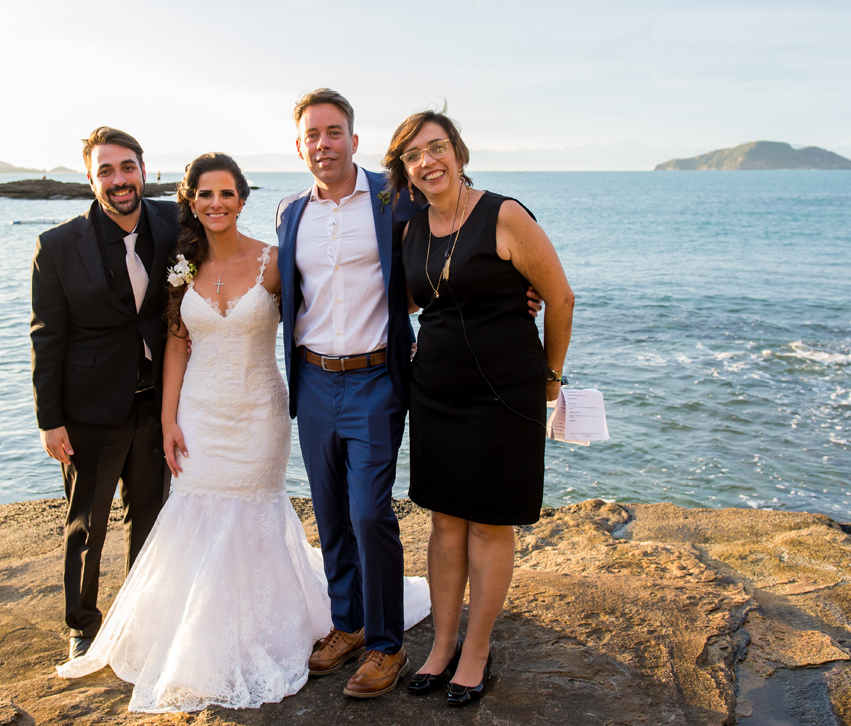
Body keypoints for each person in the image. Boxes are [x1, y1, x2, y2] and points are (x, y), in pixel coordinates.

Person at [57, 152, 429, 712]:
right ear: (191, 202)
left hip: (260, 410)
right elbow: (179, 342)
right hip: (201, 412)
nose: (216, 204)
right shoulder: (181, 267)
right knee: (197, 509)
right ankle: (199, 636)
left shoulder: (276, 261)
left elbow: (335, 298)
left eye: (227, 193)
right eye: (205, 195)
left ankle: (302, 628)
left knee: (256, 510)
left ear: (242, 199)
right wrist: (167, 418)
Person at [385, 109, 574, 707]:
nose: (427, 161)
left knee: (490, 523)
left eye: (436, 148)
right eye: (414, 155)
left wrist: (549, 376)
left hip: (503, 392)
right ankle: (441, 647)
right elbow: (418, 298)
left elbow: (560, 296)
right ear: (406, 170)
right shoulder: (411, 228)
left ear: (459, 153)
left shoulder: (505, 214)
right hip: (435, 394)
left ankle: (476, 651)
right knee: (443, 521)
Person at [274, 89, 424, 698]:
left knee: (369, 512)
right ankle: (349, 624)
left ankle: (388, 645)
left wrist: (514, 290)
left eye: (334, 132)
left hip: (374, 380)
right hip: (311, 379)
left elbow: (457, 231)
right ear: (300, 146)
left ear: (354, 141)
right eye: (312, 134)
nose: (323, 144)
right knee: (331, 513)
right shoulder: (289, 212)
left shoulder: (395, 199)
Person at [30, 126, 177, 662]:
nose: (119, 180)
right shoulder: (57, 246)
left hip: (158, 404)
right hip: (89, 409)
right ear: (91, 179)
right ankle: (82, 625)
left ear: (144, 170)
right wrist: (51, 420)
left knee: (152, 517)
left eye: (127, 168)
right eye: (106, 171)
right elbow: (46, 337)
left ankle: (141, 615)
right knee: (86, 523)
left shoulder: (174, 223)